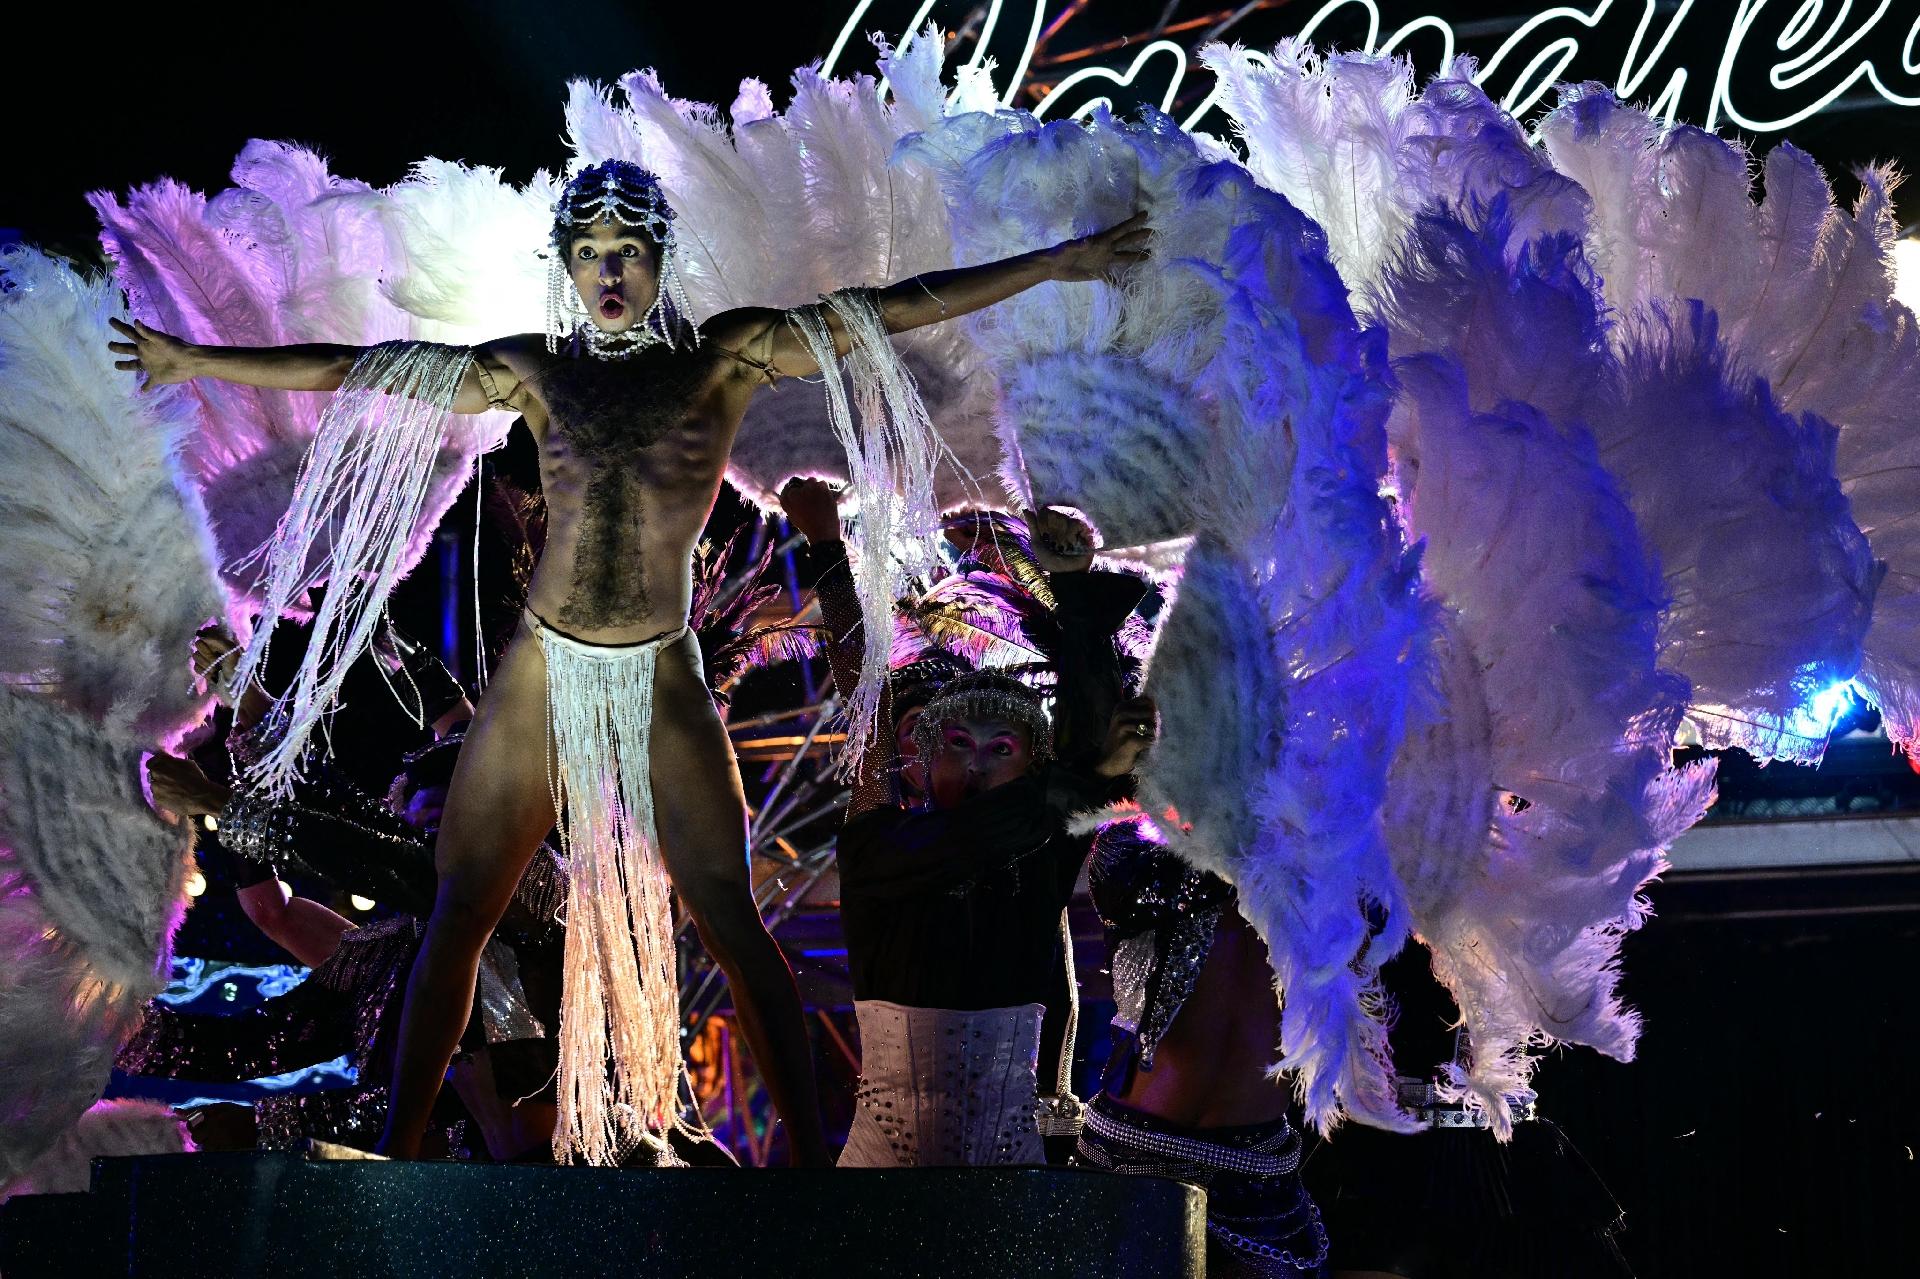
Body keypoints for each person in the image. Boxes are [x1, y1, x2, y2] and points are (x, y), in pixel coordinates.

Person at [109, 158, 1149, 1164]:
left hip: (659, 671)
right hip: (539, 669)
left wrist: (1058, 261)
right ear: (566, 262)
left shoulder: (727, 356)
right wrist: (192, 363)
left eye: (628, 254)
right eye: (590, 254)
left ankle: (806, 1170)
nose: (609, 275)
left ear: (660, 260)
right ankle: (403, 1146)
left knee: (733, 919)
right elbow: (354, 367)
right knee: (462, 906)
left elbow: (890, 306)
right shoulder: (533, 368)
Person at [778, 477, 1156, 1166]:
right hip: (879, 1170)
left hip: (1010, 1170)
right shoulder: (881, 844)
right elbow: (863, 694)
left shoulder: (1043, 847)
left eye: (1000, 748)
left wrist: (1075, 594)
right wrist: (827, 546)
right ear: (920, 758)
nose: (976, 763)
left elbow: (1070, 760)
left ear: (1031, 761)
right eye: (957, 744)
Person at [1075, 825, 1331, 1277]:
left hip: (1259, 1175)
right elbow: (1128, 887)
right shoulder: (1132, 841)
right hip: (1133, 1159)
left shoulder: (1330, 847)